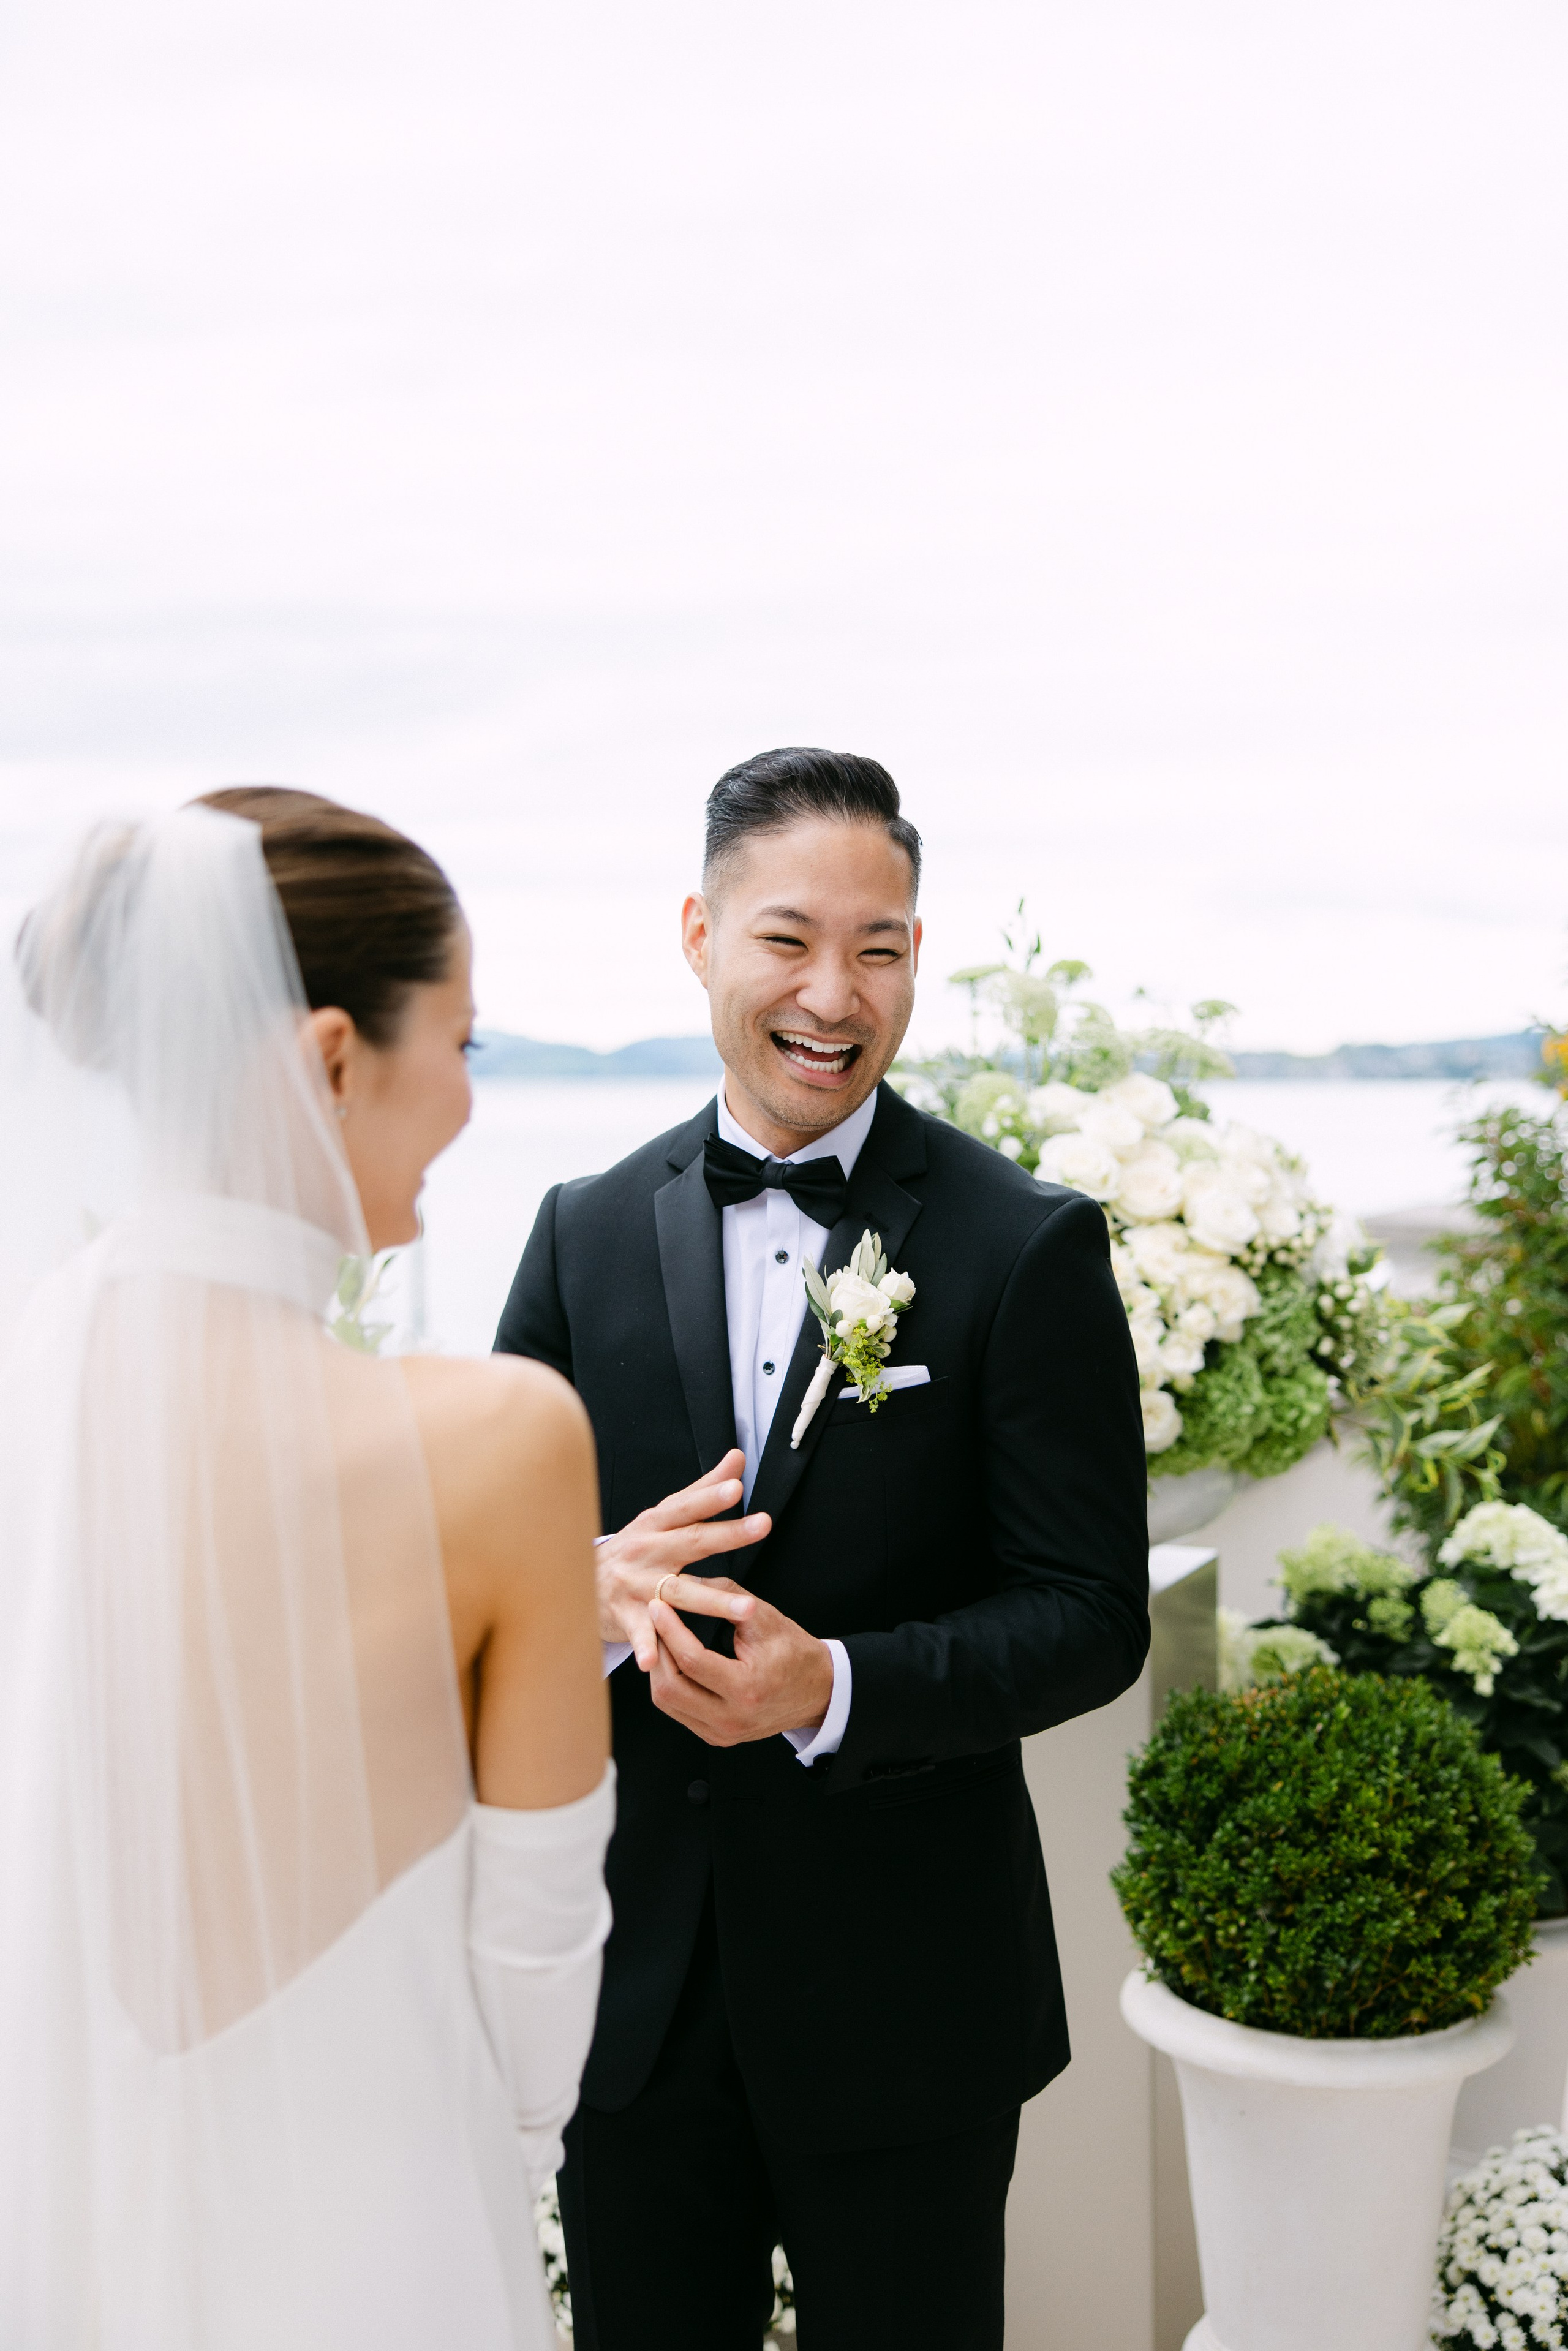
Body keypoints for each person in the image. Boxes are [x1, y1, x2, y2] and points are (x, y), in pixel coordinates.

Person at [496, 746, 1150, 2351]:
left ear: (918, 954)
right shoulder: (581, 1227)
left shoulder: (1024, 1242)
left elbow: (1089, 1613)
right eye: (789, 938)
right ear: (700, 934)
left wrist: (833, 1684)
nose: (834, 993)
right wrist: (577, 1595)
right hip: (633, 1999)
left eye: (882, 945)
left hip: (907, 2001)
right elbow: (487, 1578)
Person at [0, 788, 611, 2349]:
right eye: (464, 1041)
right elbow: (539, 1981)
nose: (474, 1098)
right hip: (377, 2240)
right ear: (334, 1056)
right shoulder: (500, 1442)